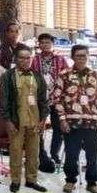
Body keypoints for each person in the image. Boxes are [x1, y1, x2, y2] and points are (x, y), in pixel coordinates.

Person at [52, 45, 97, 193]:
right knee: (71, 154)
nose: (81, 59)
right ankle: (70, 180)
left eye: (84, 56)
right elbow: (57, 99)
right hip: (71, 123)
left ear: (88, 57)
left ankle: (92, 183)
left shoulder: (95, 75)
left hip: (92, 123)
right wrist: (62, 120)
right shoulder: (64, 75)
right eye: (78, 56)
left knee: (92, 155)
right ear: (72, 57)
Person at [0, 44, 49, 193]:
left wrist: (43, 119)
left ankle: (31, 180)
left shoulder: (37, 76)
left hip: (35, 121)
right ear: (16, 59)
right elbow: (3, 100)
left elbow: (44, 100)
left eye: (28, 58)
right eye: (22, 58)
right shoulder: (8, 76)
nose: (25, 61)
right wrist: (7, 121)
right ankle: (15, 180)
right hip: (16, 122)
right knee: (16, 152)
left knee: (34, 152)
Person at [30, 33, 69, 165]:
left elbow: (67, 78)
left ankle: (54, 154)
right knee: (38, 127)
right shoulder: (33, 60)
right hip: (39, 99)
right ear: (39, 45)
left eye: (48, 42)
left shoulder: (61, 59)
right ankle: (41, 153)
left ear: (52, 44)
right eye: (43, 42)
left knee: (58, 128)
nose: (45, 44)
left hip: (57, 99)